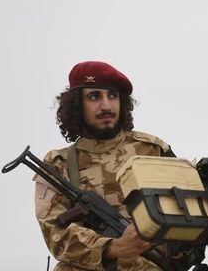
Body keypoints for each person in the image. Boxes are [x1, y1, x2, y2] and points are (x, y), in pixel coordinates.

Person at [34, 61, 173, 270]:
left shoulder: (153, 151)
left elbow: (190, 213)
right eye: (94, 96)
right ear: (76, 105)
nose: (106, 106)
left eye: (113, 96)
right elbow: (56, 234)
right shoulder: (58, 164)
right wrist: (114, 247)